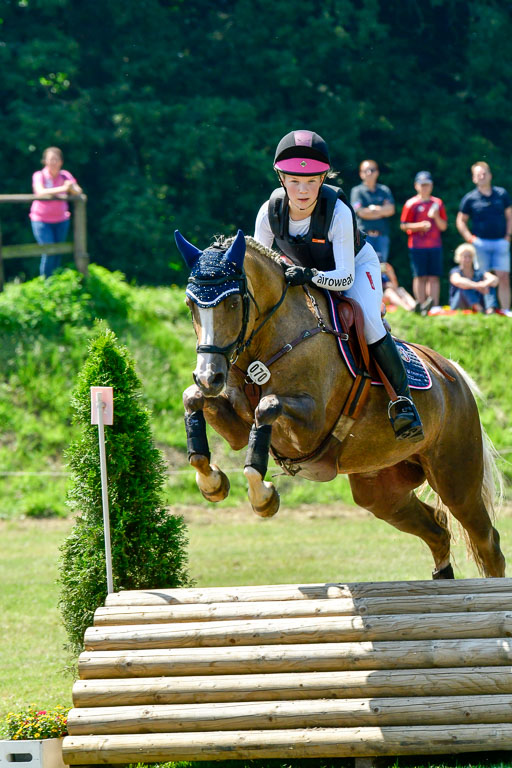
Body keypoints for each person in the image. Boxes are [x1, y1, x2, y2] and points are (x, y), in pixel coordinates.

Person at [254, 129, 423, 442]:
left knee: (369, 319)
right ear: (281, 179)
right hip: (306, 273)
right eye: (294, 180)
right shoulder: (269, 213)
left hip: (355, 267)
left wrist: (310, 276)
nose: (302, 190)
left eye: (311, 181)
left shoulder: (338, 212)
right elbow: (261, 268)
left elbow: (344, 277)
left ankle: (403, 402)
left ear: (323, 179)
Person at [456, 161, 512, 311]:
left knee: (503, 276)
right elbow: (461, 221)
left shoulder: (502, 194)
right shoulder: (470, 198)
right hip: (480, 243)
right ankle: (488, 309)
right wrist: (470, 238)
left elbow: (510, 216)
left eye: (484, 173)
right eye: (478, 174)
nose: (482, 176)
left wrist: (508, 236)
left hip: (501, 241)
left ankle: (506, 311)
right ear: (474, 178)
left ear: (490, 175)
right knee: (484, 277)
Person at [29, 146, 82, 278]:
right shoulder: (39, 175)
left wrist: (71, 188)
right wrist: (63, 188)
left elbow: (78, 191)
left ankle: (55, 281)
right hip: (41, 220)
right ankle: (46, 284)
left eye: (56, 159)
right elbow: (40, 192)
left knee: (58, 252)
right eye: (50, 159)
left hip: (61, 220)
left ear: (61, 162)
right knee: (49, 251)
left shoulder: (65, 175)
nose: (53, 162)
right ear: (45, 161)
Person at [400, 171, 448, 308]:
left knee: (434, 277)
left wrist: (436, 216)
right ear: (416, 186)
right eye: (422, 185)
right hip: (417, 245)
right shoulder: (411, 204)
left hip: (435, 244)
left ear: (431, 186)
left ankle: (434, 306)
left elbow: (443, 226)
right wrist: (419, 226)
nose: (425, 188)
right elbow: (403, 225)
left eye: (427, 185)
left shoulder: (437, 203)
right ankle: (421, 305)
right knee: (420, 276)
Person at [350, 159, 395, 263]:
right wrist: (381, 211)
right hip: (364, 238)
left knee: (381, 269)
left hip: (382, 236)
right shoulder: (357, 191)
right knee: (363, 267)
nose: (369, 173)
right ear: (361, 174)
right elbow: (361, 213)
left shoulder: (384, 190)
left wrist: (372, 209)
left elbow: (391, 210)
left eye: (372, 170)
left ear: (377, 172)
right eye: (366, 170)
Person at [449, 243, 499, 313]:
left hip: (477, 300)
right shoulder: (455, 271)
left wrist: (484, 284)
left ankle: (490, 310)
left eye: (470, 256)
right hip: (459, 304)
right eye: (465, 257)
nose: (467, 259)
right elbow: (457, 281)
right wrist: (477, 286)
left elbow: (495, 280)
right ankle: (480, 310)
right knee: (464, 286)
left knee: (489, 285)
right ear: (459, 257)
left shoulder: (478, 272)